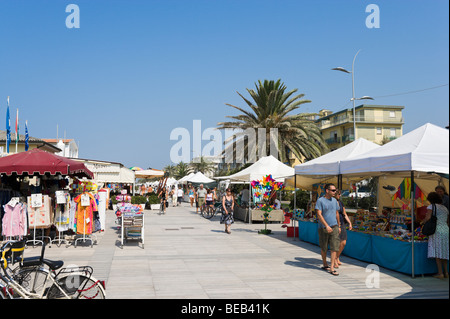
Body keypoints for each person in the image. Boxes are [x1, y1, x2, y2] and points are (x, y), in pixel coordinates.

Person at [421, 191, 449, 279]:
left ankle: (440, 273)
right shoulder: (445, 208)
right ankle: (446, 272)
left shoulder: (431, 206)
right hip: (445, 230)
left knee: (437, 251)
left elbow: (428, 217)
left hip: (437, 230)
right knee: (444, 251)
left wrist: (423, 222)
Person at [315, 183, 341, 276]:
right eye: (333, 190)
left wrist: (339, 225)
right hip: (323, 228)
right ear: (327, 191)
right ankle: (325, 263)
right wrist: (326, 225)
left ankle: (332, 267)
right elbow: (319, 214)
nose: (335, 192)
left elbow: (337, 213)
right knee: (324, 247)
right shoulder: (320, 201)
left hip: (334, 227)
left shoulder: (335, 201)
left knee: (334, 248)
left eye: (335, 190)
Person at [334, 190, 352, 269]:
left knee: (343, 242)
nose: (339, 195)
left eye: (340, 194)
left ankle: (337, 256)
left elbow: (344, 213)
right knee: (335, 242)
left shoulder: (340, 203)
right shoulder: (331, 202)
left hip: (342, 223)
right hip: (334, 224)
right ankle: (334, 259)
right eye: (338, 194)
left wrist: (349, 222)